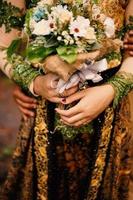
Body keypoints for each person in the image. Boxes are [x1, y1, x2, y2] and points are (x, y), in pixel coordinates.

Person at [0, 0, 133, 200]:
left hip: (110, 113)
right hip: (43, 113)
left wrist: (112, 90)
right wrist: (33, 82)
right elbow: (4, 46)